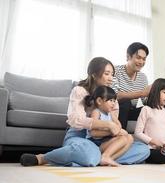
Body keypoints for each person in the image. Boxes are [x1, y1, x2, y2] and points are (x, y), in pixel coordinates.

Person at [20, 57, 150, 167]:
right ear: (94, 74)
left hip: (105, 140)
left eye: (112, 74)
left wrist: (116, 129)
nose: (111, 78)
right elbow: (75, 120)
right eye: (107, 74)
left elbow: (115, 121)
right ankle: (44, 158)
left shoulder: (112, 98)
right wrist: (108, 125)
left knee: (143, 149)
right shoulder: (80, 91)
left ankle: (101, 157)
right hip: (80, 136)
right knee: (87, 154)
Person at [85, 85, 133, 166]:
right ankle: (105, 156)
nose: (113, 103)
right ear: (99, 101)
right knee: (124, 139)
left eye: (114, 101)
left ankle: (108, 158)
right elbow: (93, 133)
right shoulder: (96, 112)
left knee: (130, 138)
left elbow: (118, 124)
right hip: (96, 143)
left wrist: (118, 130)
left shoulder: (110, 113)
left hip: (106, 141)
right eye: (110, 100)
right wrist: (112, 132)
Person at [112, 42, 152, 130]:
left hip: (133, 110)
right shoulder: (115, 71)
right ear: (128, 57)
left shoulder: (143, 77)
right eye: (138, 58)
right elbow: (114, 96)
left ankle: (154, 139)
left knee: (150, 108)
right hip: (117, 110)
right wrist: (141, 93)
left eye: (144, 59)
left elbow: (143, 101)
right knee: (125, 102)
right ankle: (119, 135)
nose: (141, 62)